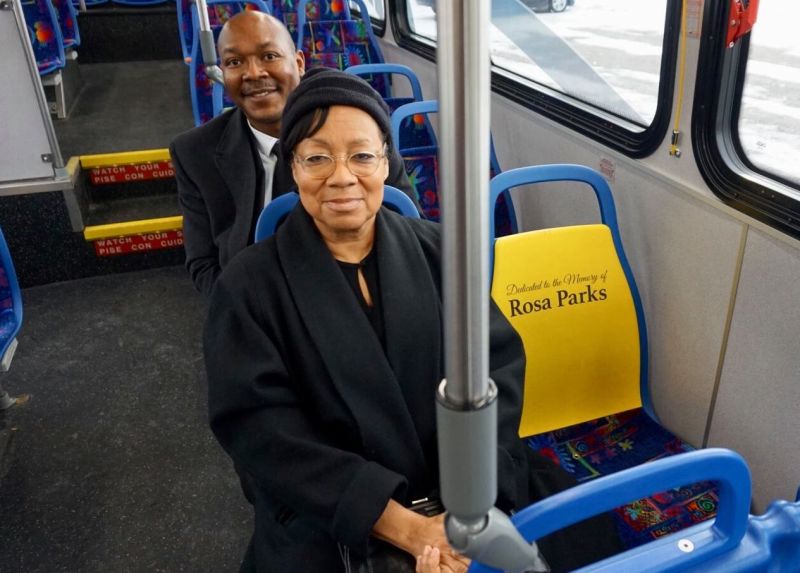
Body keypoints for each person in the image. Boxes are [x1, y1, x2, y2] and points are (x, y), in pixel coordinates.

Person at [205, 68, 621, 572]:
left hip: (469, 488)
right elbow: (262, 431)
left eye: (361, 156)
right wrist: (405, 526)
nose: (341, 176)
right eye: (317, 157)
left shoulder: (442, 251)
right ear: (293, 169)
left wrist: (463, 507)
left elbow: (498, 367)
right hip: (339, 512)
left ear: (386, 163)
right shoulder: (247, 286)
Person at [169, 11, 416, 297]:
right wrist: (243, 313)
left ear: (299, 63)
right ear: (222, 72)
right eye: (235, 62)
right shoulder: (196, 152)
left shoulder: (356, 130)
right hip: (253, 299)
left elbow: (405, 227)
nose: (254, 73)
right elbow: (203, 263)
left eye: (269, 56)